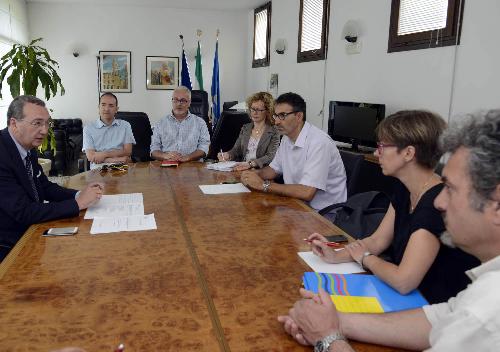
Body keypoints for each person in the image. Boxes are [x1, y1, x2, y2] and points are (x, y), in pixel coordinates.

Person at [278, 109, 500, 352]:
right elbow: (439, 318)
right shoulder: (404, 190)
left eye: (452, 189)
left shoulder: (485, 312)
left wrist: (328, 337)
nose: (441, 203)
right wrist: (333, 318)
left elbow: (404, 280)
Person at [306, 110, 479, 303]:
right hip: (408, 297)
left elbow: (404, 281)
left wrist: (364, 258)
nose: (375, 152)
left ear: (408, 153)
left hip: (434, 307)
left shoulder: (434, 205)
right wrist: (335, 256)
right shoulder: (405, 189)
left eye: (382, 146)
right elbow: (378, 240)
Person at [0, 96, 104, 262]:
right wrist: (78, 204)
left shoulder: (27, 146)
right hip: (10, 246)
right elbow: (24, 211)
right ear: (14, 123)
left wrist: (79, 195)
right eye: (37, 123)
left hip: (32, 231)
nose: (44, 130)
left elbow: (45, 186)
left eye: (47, 123)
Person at [240, 92, 346, 216]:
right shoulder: (286, 138)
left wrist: (262, 185)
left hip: (323, 213)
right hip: (296, 205)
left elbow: (306, 192)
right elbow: (272, 170)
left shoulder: (319, 143)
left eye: (282, 116)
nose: (277, 122)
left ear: (299, 116)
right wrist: (251, 174)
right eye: (276, 116)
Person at [217, 92, 280, 171]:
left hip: (263, 171)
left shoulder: (274, 131)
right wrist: (228, 155)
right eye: (253, 109)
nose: (254, 112)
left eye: (259, 110)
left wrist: (250, 164)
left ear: (267, 111)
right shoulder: (245, 128)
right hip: (242, 169)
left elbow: (270, 156)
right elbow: (236, 150)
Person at [150, 86, 210, 162]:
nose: (179, 104)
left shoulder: (200, 123)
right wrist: (165, 156)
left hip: (192, 166)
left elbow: (204, 147)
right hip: (166, 166)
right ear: (172, 101)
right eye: (176, 100)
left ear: (189, 102)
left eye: (183, 100)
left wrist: (188, 157)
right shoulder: (161, 123)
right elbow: (154, 149)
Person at [82, 92, 136, 169]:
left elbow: (127, 151)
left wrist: (103, 154)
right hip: (99, 169)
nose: (106, 109)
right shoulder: (88, 128)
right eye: (103, 105)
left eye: (111, 106)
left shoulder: (125, 125)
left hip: (122, 168)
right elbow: (91, 157)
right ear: (99, 107)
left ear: (116, 109)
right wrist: (116, 159)